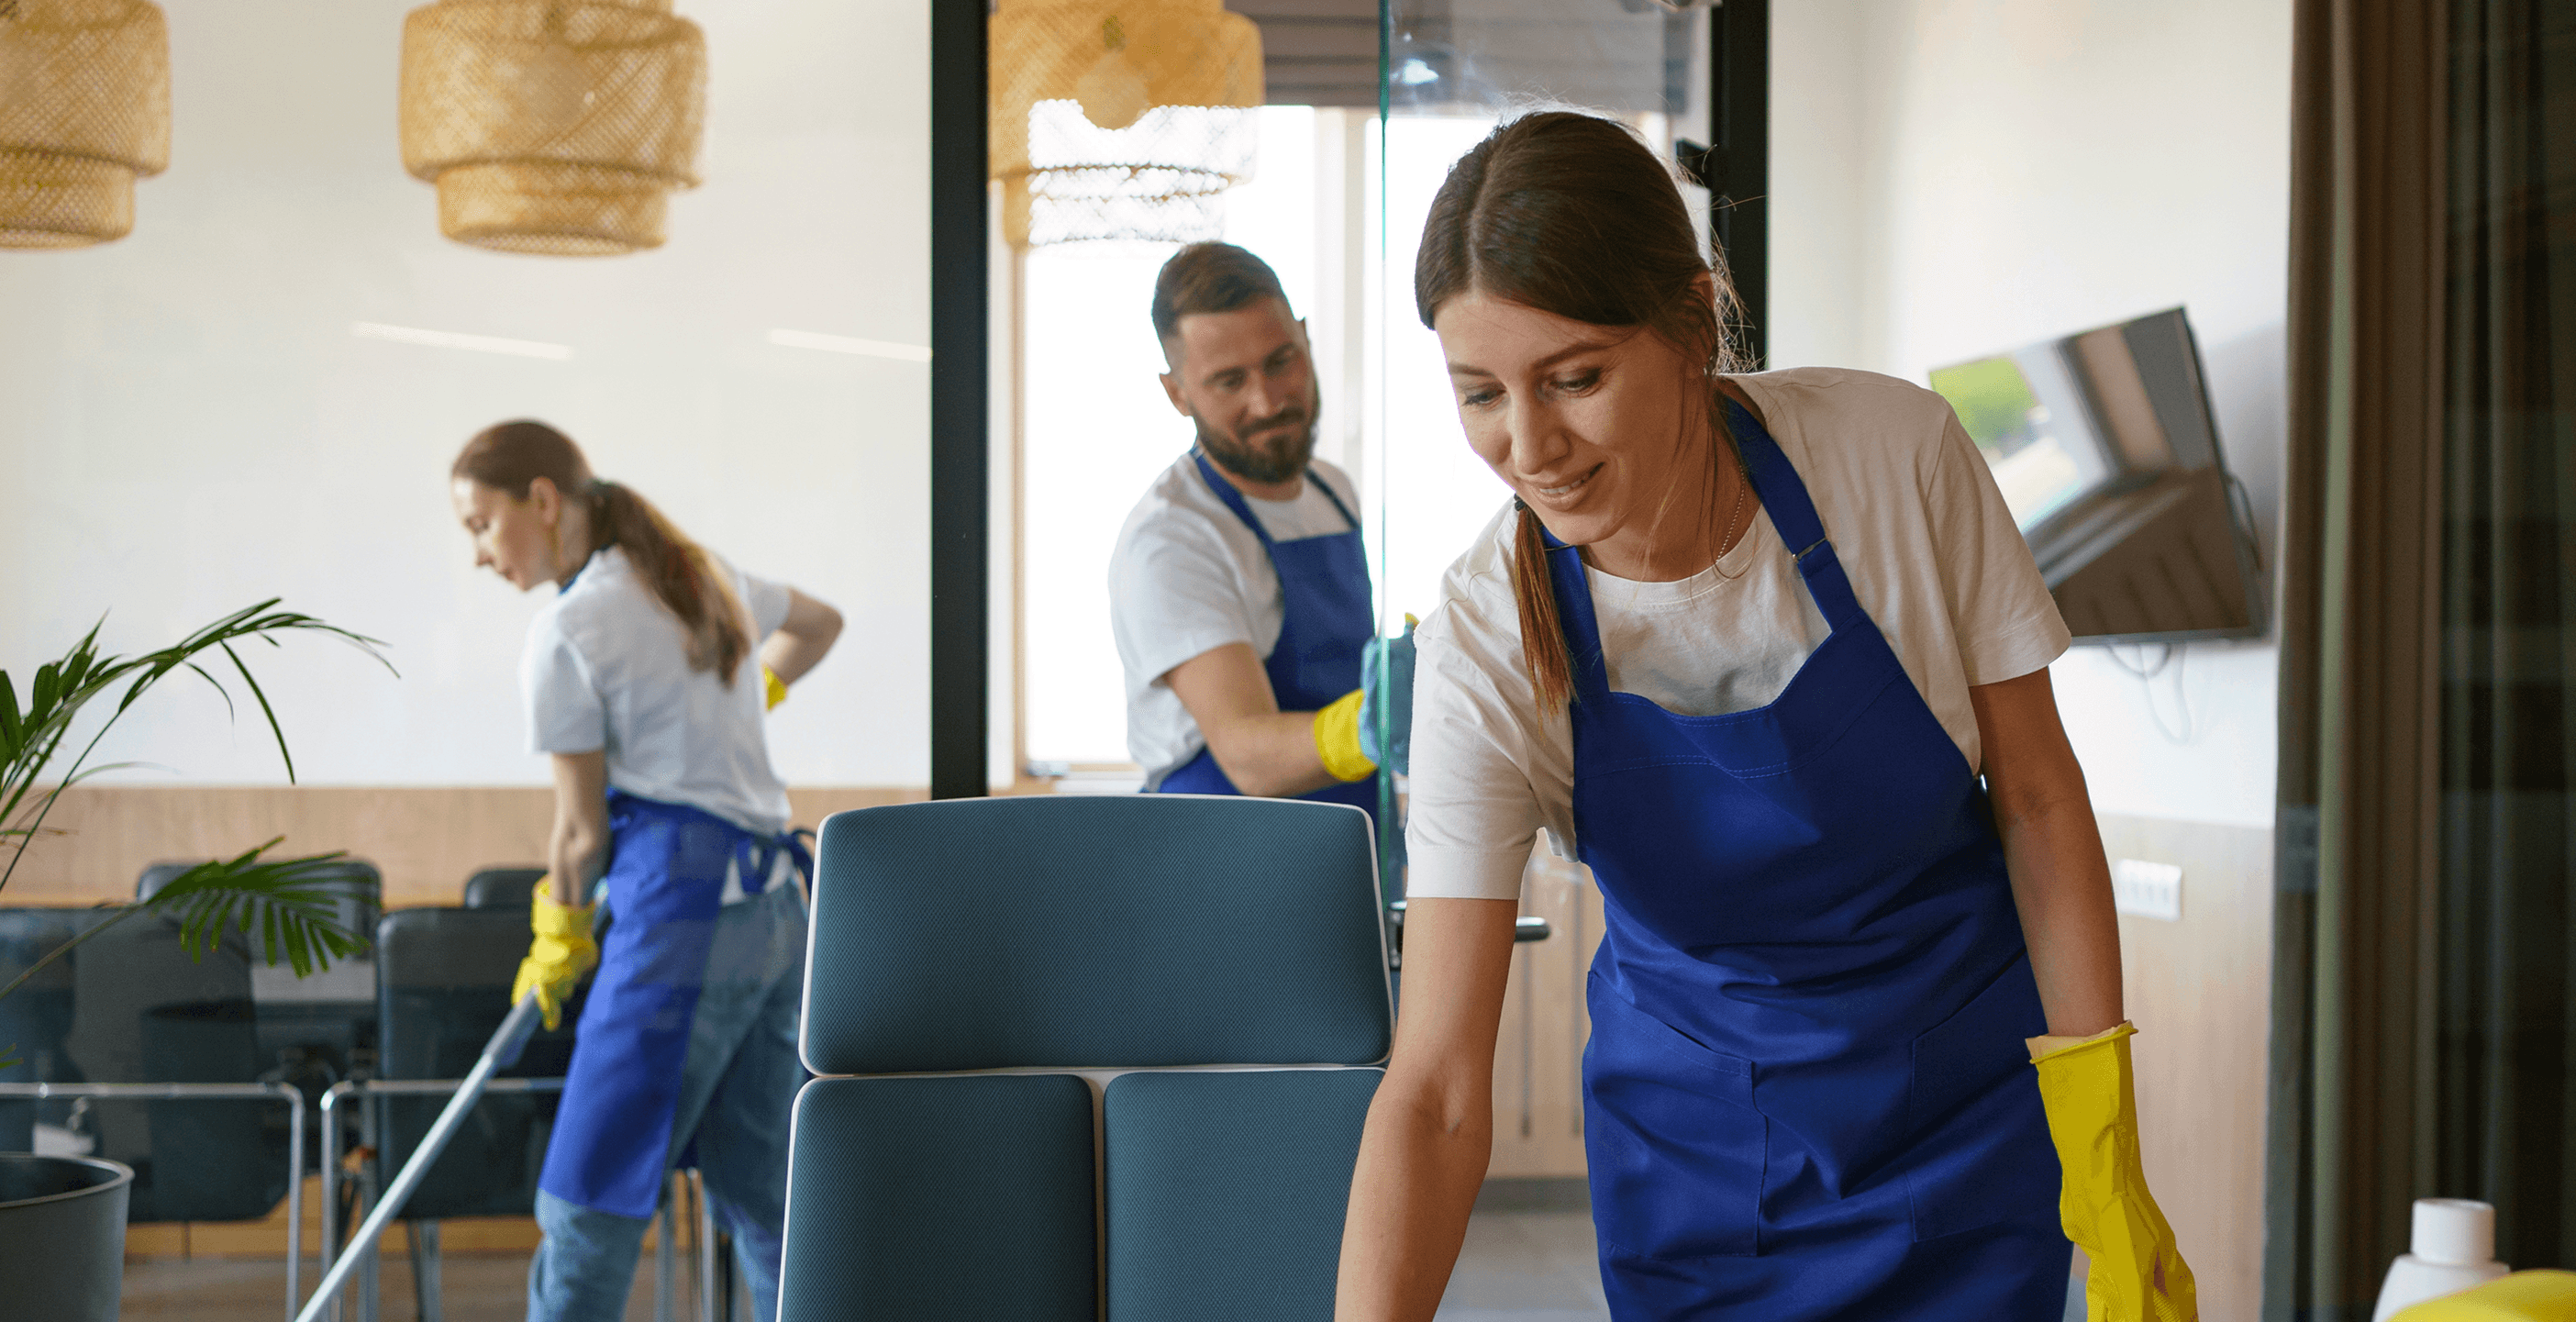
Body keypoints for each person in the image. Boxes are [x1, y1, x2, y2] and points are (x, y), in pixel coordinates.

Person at [1333, 113, 2197, 1321]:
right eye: (1481, 393)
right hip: (1702, 1173)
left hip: (1966, 1128)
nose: (1529, 446)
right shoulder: (1486, 634)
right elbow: (1433, 1088)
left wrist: (2105, 1155)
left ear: (1693, 324)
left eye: (1575, 377)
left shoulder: (1892, 456)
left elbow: (2040, 799)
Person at [449, 421, 842, 1322]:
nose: (478, 553)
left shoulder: (569, 630)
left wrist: (559, 934)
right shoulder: (700, 573)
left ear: (543, 500)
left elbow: (581, 834)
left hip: (683, 924)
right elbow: (821, 625)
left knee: (591, 1192)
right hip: (783, 915)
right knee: (768, 1192)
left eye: (480, 523)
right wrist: (748, 698)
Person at [1110, 241, 1411, 816]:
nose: (1267, 401)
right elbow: (1249, 755)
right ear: (1177, 394)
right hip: (1218, 864)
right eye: (1229, 381)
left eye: (1281, 361)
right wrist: (1378, 722)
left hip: (1350, 833)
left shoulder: (1333, 491)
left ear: (1304, 337)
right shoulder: (1172, 540)